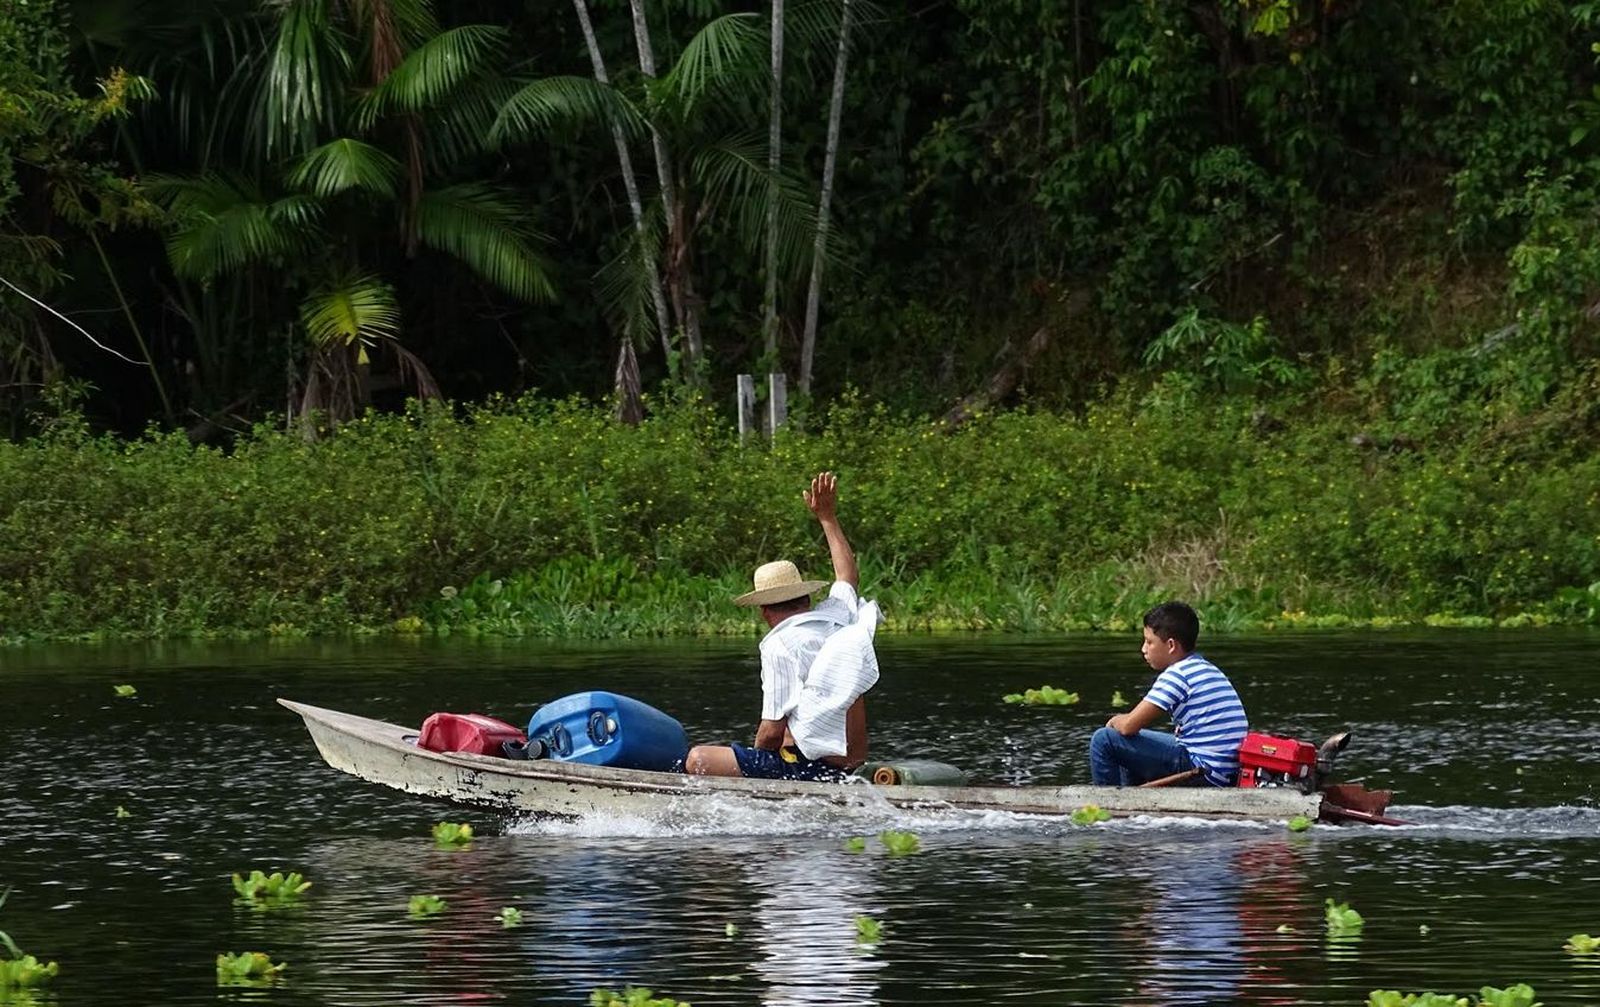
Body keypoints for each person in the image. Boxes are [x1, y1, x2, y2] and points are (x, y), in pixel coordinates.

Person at [684, 471, 878, 780]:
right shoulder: (836, 617)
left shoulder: (779, 644)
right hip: (852, 761)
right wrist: (827, 518)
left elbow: (772, 732)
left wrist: (754, 759)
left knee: (698, 759)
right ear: (805, 597)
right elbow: (847, 576)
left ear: (764, 611)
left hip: (815, 770)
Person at [1088, 600, 1248, 787]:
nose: (1143, 649)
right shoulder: (1206, 667)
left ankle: (1107, 802)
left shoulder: (1178, 674)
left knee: (1104, 739)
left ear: (1171, 645)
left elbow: (1129, 726)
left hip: (1204, 772)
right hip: (1225, 773)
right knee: (1127, 744)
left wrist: (1114, 721)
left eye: (1149, 642)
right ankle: (1130, 796)